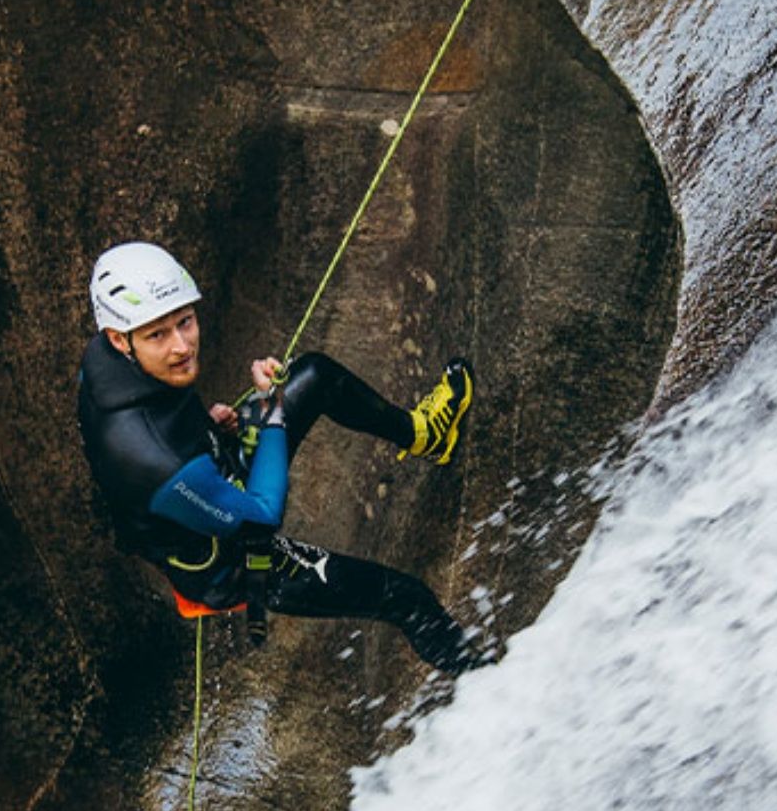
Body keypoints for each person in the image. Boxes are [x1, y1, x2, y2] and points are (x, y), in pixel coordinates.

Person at [76, 241, 495, 674]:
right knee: (407, 598)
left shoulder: (106, 364)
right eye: (158, 335)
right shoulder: (156, 459)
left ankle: (426, 435)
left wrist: (205, 426)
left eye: (185, 321)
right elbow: (261, 515)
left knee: (315, 375)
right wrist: (269, 408)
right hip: (229, 557)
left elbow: (162, 418)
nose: (182, 346)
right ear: (119, 339)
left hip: (207, 474)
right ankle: (482, 681)